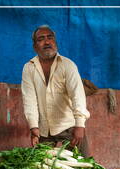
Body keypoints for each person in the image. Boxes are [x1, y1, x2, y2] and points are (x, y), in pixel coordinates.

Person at [21, 25, 90, 155]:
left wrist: (80, 124)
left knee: (83, 163)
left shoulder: (68, 65)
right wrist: (33, 126)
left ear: (55, 42)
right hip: (44, 128)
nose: (46, 42)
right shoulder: (28, 68)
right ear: (35, 46)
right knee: (42, 168)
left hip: (69, 125)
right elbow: (29, 99)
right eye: (41, 39)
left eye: (50, 37)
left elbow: (77, 95)